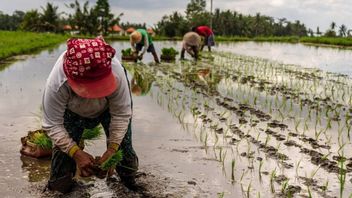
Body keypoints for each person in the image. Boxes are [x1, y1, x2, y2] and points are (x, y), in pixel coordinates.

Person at [42, 37, 139, 193]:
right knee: (59, 181)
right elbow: (52, 124)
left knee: (125, 154)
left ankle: (130, 183)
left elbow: (121, 115)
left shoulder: (116, 72)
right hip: (72, 112)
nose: (93, 95)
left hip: (108, 110)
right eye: (88, 89)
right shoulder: (58, 82)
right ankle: (62, 185)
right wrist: (76, 153)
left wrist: (112, 150)